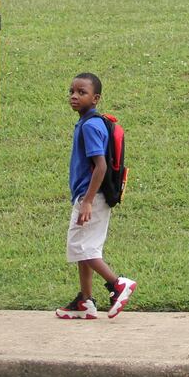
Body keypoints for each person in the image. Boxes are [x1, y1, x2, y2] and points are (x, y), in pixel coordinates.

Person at [55, 72, 137, 319]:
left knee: (81, 247)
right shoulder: (90, 122)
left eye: (82, 93)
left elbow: (100, 166)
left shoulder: (90, 126)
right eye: (72, 91)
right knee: (83, 247)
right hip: (91, 196)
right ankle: (85, 301)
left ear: (96, 98)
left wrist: (88, 201)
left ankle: (117, 284)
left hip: (92, 197)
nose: (74, 96)